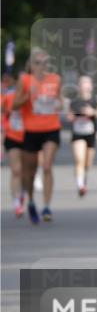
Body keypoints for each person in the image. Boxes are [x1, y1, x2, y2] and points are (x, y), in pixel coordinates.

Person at [13, 49, 62, 224]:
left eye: (45, 62)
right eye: (39, 63)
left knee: (47, 166)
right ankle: (31, 201)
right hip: (31, 131)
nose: (43, 66)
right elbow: (14, 105)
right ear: (32, 65)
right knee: (30, 173)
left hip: (51, 128)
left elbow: (60, 102)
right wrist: (27, 97)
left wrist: (57, 104)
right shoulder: (25, 80)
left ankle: (47, 206)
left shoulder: (55, 79)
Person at [67, 75, 97, 196]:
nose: (83, 85)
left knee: (87, 164)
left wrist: (93, 112)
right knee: (79, 160)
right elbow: (69, 116)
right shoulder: (74, 102)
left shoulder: (95, 101)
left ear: (90, 86)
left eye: (86, 83)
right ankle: (80, 185)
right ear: (78, 86)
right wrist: (73, 117)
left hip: (91, 134)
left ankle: (83, 179)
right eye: (81, 83)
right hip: (77, 134)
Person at [2, 72, 25, 218]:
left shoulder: (31, 99)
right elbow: (4, 113)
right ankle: (17, 203)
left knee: (26, 172)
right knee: (16, 170)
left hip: (29, 138)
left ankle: (22, 193)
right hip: (12, 137)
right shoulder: (9, 98)